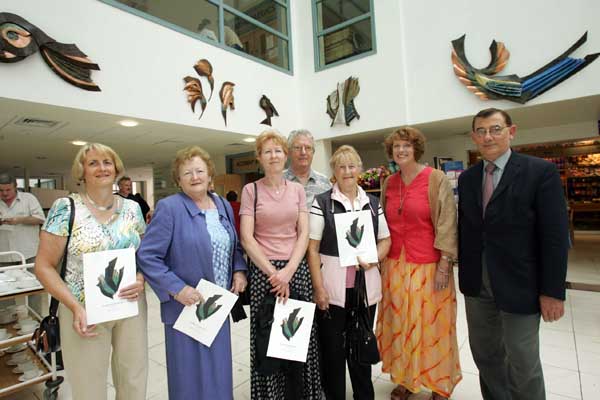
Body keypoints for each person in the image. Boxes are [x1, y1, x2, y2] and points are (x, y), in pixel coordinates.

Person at [458, 108, 569, 400]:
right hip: (477, 285)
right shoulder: (469, 179)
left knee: (523, 361)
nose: (488, 136)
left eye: (495, 129)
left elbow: (555, 238)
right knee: (486, 356)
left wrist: (553, 292)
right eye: (481, 131)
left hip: (521, 285)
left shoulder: (539, 172)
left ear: (512, 131)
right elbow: (468, 230)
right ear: (473, 137)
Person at [34, 143, 148, 400]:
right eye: (93, 163)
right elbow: (43, 266)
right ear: (81, 171)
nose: (102, 168)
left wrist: (140, 277)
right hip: (83, 310)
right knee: (89, 388)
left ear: (116, 168)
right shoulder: (65, 209)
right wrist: (74, 307)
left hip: (130, 305)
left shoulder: (132, 209)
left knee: (134, 380)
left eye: (107, 162)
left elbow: (143, 256)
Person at [137, 146, 247, 400]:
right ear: (178, 180)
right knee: (189, 378)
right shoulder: (169, 208)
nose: (195, 176)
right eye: (187, 173)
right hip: (185, 308)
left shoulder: (222, 205)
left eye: (200, 170)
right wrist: (177, 289)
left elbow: (234, 245)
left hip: (217, 306)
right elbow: (147, 256)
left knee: (218, 372)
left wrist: (239, 271)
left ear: (210, 175)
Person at [376, 127, 462, 400]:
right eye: (396, 147)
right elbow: (382, 224)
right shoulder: (389, 183)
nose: (401, 151)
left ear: (416, 149)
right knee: (400, 324)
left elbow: (448, 222)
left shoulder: (435, 179)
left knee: (433, 326)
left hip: (429, 264)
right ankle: (405, 380)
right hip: (395, 266)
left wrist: (444, 265)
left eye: (406, 146)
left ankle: (439, 383)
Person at [240, 129, 322, 399]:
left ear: (285, 156)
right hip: (265, 273)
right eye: (267, 151)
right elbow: (247, 238)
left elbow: (303, 233)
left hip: (296, 270)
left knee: (297, 336)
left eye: (277, 150)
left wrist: (287, 271)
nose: (273, 156)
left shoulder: (297, 190)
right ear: (259, 158)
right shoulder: (251, 190)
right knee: (269, 339)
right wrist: (274, 273)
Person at [307, 145, 390, 400]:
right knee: (333, 352)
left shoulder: (372, 203)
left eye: (351, 166)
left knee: (361, 346)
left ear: (360, 170)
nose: (347, 171)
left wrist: (373, 257)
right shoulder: (322, 202)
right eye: (341, 167)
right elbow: (312, 249)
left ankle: (364, 395)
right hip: (333, 291)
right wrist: (318, 288)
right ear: (334, 171)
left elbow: (385, 239)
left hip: (364, 290)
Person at [0, 173, 45, 265]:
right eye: (1, 190)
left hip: (29, 254)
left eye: (8, 190)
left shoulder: (29, 199)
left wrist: (20, 220)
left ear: (16, 187)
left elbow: (41, 219)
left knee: (32, 279)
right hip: (3, 256)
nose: (4, 193)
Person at [284, 129, 332, 209]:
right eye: (297, 148)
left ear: (313, 152)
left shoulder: (325, 182)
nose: (303, 152)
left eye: (308, 148)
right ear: (289, 152)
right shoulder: (278, 181)